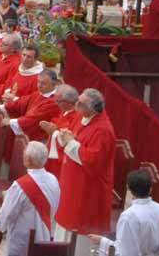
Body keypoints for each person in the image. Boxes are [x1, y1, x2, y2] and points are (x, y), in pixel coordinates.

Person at [52, 87, 115, 238]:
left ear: (92, 109)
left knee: (78, 236)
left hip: (87, 190)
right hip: (72, 183)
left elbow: (94, 160)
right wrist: (65, 137)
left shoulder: (103, 130)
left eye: (80, 103)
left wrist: (71, 143)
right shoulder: (83, 118)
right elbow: (74, 138)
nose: (76, 105)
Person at [0, 142, 61, 256]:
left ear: (28, 159)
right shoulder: (53, 180)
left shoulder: (19, 186)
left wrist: (7, 199)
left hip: (22, 241)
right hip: (44, 238)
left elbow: (4, 218)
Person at [87, 169, 159, 256]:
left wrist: (104, 244)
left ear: (128, 188)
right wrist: (103, 241)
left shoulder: (129, 216)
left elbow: (125, 253)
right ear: (151, 189)